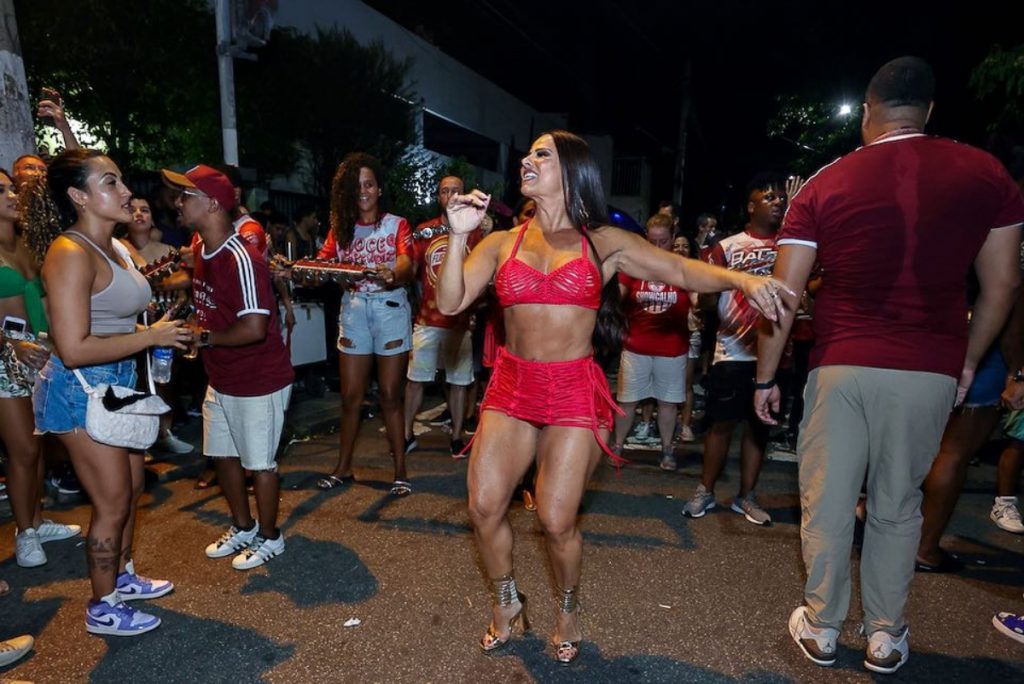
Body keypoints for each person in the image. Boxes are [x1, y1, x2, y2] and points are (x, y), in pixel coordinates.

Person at [437, 130, 786, 664]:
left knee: (556, 520)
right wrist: (459, 235)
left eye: (541, 155)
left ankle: (569, 610)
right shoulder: (502, 242)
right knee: (483, 506)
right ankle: (508, 602)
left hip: (573, 389)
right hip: (512, 386)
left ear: (572, 171)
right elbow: (452, 300)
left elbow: (678, 269)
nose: (527, 161)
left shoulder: (603, 242)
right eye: (528, 154)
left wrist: (740, 280)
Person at [753, 57, 1023, 674]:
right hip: (928, 364)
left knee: (828, 499)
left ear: (868, 114)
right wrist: (967, 361)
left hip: (841, 361)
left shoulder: (827, 181)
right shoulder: (987, 175)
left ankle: (822, 626)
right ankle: (885, 634)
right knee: (899, 504)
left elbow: (785, 293)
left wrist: (767, 377)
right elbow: (1002, 284)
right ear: (928, 111)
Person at [27, 149, 191, 636]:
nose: (125, 192)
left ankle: (121, 576)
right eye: (110, 183)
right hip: (82, 389)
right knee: (113, 499)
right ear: (79, 197)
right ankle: (102, 605)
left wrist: (154, 328)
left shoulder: (113, 246)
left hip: (119, 381)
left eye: (121, 181)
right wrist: (150, 337)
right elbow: (73, 348)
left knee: (134, 488)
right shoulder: (69, 253)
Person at [162, 164, 295, 570]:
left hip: (258, 378)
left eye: (186, 195)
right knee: (222, 454)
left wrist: (204, 337)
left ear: (213, 203)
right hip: (221, 375)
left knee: (260, 464)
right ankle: (244, 526)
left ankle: (272, 536)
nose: (177, 203)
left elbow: (255, 327)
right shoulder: (202, 248)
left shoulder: (242, 257)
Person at [682, 173, 788, 527]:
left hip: (771, 355)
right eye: (768, 196)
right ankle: (705, 490)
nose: (776, 202)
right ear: (751, 205)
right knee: (722, 425)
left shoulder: (790, 247)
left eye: (780, 197)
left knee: (759, 429)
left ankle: (747, 496)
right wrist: (705, 297)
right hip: (731, 351)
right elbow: (706, 299)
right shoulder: (726, 247)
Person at [313, 153, 415, 495]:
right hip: (354, 311)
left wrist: (393, 274)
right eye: (356, 187)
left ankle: (400, 471)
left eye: (369, 184)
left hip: (389, 310)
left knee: (389, 395)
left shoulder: (397, 224)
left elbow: (405, 262)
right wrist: (304, 271)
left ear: (379, 188)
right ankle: (343, 468)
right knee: (350, 397)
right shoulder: (340, 229)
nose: (364, 192)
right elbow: (323, 264)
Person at [0, 170, 81, 568]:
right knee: (23, 451)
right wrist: (11, 342)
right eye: (1, 191)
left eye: (11, 187)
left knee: (41, 445)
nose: (12, 194)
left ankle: (35, 518)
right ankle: (25, 534)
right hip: (4, 362)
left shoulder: (27, 244)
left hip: (41, 355)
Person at [404, 175, 479, 457]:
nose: (450, 196)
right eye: (445, 191)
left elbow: (480, 276)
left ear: (464, 195)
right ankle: (407, 434)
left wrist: (474, 311)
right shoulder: (425, 232)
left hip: (460, 322)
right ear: (439, 197)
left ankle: (457, 437)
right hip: (428, 320)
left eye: (456, 191)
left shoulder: (475, 232)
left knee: (459, 383)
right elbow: (410, 272)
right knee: (415, 379)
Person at [611, 213, 692, 470]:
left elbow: (699, 298)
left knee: (667, 404)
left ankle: (668, 450)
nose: (658, 247)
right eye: (653, 241)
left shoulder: (682, 266)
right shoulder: (636, 265)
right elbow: (618, 296)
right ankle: (618, 446)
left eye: (664, 242)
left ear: (672, 239)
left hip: (672, 348)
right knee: (627, 401)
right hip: (636, 346)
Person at [118, 197, 194, 457]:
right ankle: (141, 439)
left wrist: (166, 296)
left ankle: (166, 432)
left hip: (166, 322)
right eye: (133, 209)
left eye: (145, 209)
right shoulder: (118, 249)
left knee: (166, 379)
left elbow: (186, 280)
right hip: (133, 325)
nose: (139, 214)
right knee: (137, 380)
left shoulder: (166, 248)